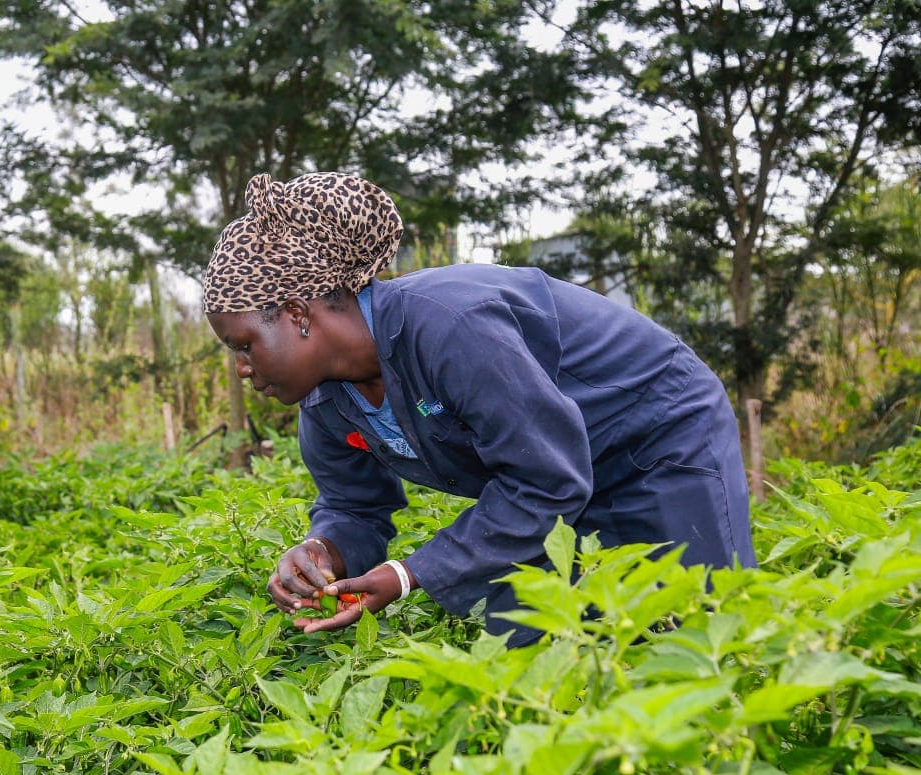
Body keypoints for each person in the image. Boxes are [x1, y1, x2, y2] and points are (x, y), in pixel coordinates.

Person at [204, 171, 756, 646]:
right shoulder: (325, 401)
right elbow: (355, 507)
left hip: (654, 436)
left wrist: (407, 574)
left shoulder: (450, 325)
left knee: (687, 634)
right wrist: (323, 551)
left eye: (244, 344)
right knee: (525, 639)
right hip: (557, 470)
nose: (242, 368)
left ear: (299, 315)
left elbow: (545, 482)